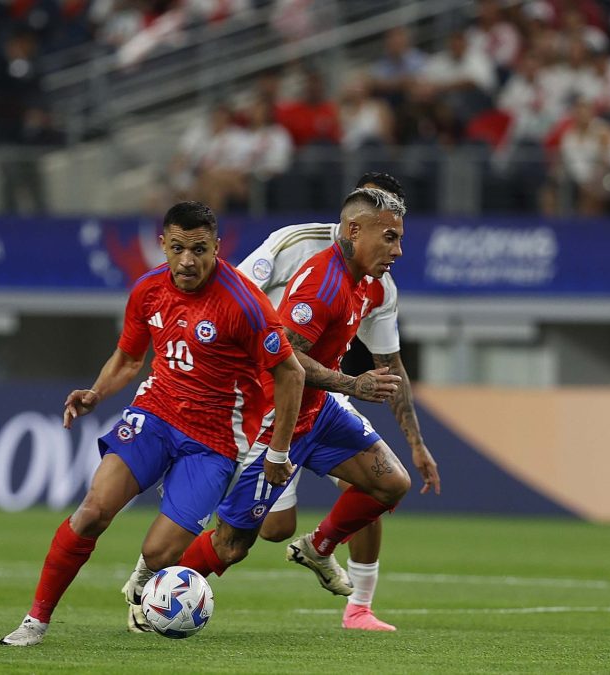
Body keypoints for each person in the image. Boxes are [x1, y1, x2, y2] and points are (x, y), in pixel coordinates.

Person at [121, 186, 434, 631]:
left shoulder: (367, 283)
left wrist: (414, 441)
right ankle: (148, 595)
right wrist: (351, 385)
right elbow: (288, 358)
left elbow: (386, 362)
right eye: (389, 238)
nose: (398, 250)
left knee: (391, 483)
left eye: (399, 238)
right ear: (354, 230)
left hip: (319, 409)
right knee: (234, 544)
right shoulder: (322, 284)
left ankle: (319, 548)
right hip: (273, 416)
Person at [0, 201, 306, 647]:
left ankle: (146, 581)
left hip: (215, 440)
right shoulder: (148, 290)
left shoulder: (244, 303)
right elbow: (128, 358)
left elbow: (291, 373)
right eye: (177, 247)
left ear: (217, 247)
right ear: (162, 244)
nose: (187, 260)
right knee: (91, 513)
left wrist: (277, 452)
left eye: (199, 249)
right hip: (156, 415)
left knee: (159, 553)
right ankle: (35, 621)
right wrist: (96, 393)